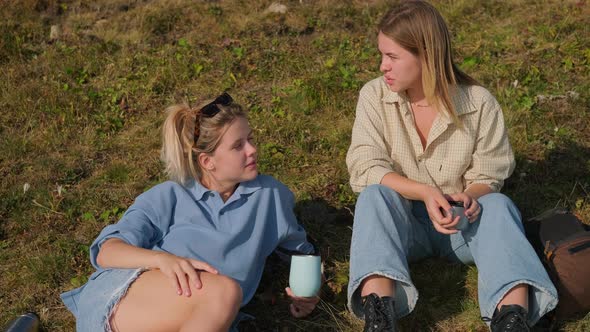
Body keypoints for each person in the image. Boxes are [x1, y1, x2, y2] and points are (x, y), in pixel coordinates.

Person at [345, 1, 558, 331]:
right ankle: (380, 317)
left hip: (461, 226)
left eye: (393, 56)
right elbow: (364, 164)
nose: (383, 65)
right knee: (373, 197)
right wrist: (424, 192)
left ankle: (512, 318)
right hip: (402, 230)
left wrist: (471, 195)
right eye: (382, 54)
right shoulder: (373, 96)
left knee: (499, 205)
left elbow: (492, 169)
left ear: (426, 55)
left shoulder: (478, 102)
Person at [60, 92, 320, 331]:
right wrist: (164, 261)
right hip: (127, 300)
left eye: (250, 139)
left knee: (223, 295)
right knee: (225, 292)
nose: (252, 150)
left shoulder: (271, 197)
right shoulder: (171, 194)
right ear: (208, 162)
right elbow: (106, 252)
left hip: (202, 317)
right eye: (237, 145)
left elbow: (301, 255)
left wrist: (308, 293)